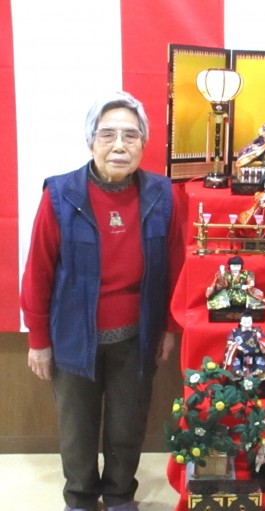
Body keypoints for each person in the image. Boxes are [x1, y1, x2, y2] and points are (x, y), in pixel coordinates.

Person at [20, 92, 184, 511]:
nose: (119, 145)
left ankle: (119, 494)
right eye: (107, 134)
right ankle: (79, 497)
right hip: (73, 336)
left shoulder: (162, 194)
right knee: (77, 428)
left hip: (137, 335)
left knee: (127, 425)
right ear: (90, 141)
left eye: (130, 135)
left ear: (143, 143)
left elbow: (174, 266)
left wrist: (168, 327)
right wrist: (39, 339)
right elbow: (38, 271)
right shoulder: (61, 194)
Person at [223, 311, 265, 380]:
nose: (247, 322)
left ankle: (258, 375)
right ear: (240, 322)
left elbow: (264, 339)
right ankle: (238, 375)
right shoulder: (235, 331)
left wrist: (260, 337)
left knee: (261, 367)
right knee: (235, 367)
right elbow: (230, 340)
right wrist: (237, 346)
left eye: (249, 321)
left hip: (255, 354)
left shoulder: (257, 330)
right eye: (245, 321)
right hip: (240, 354)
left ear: (252, 322)